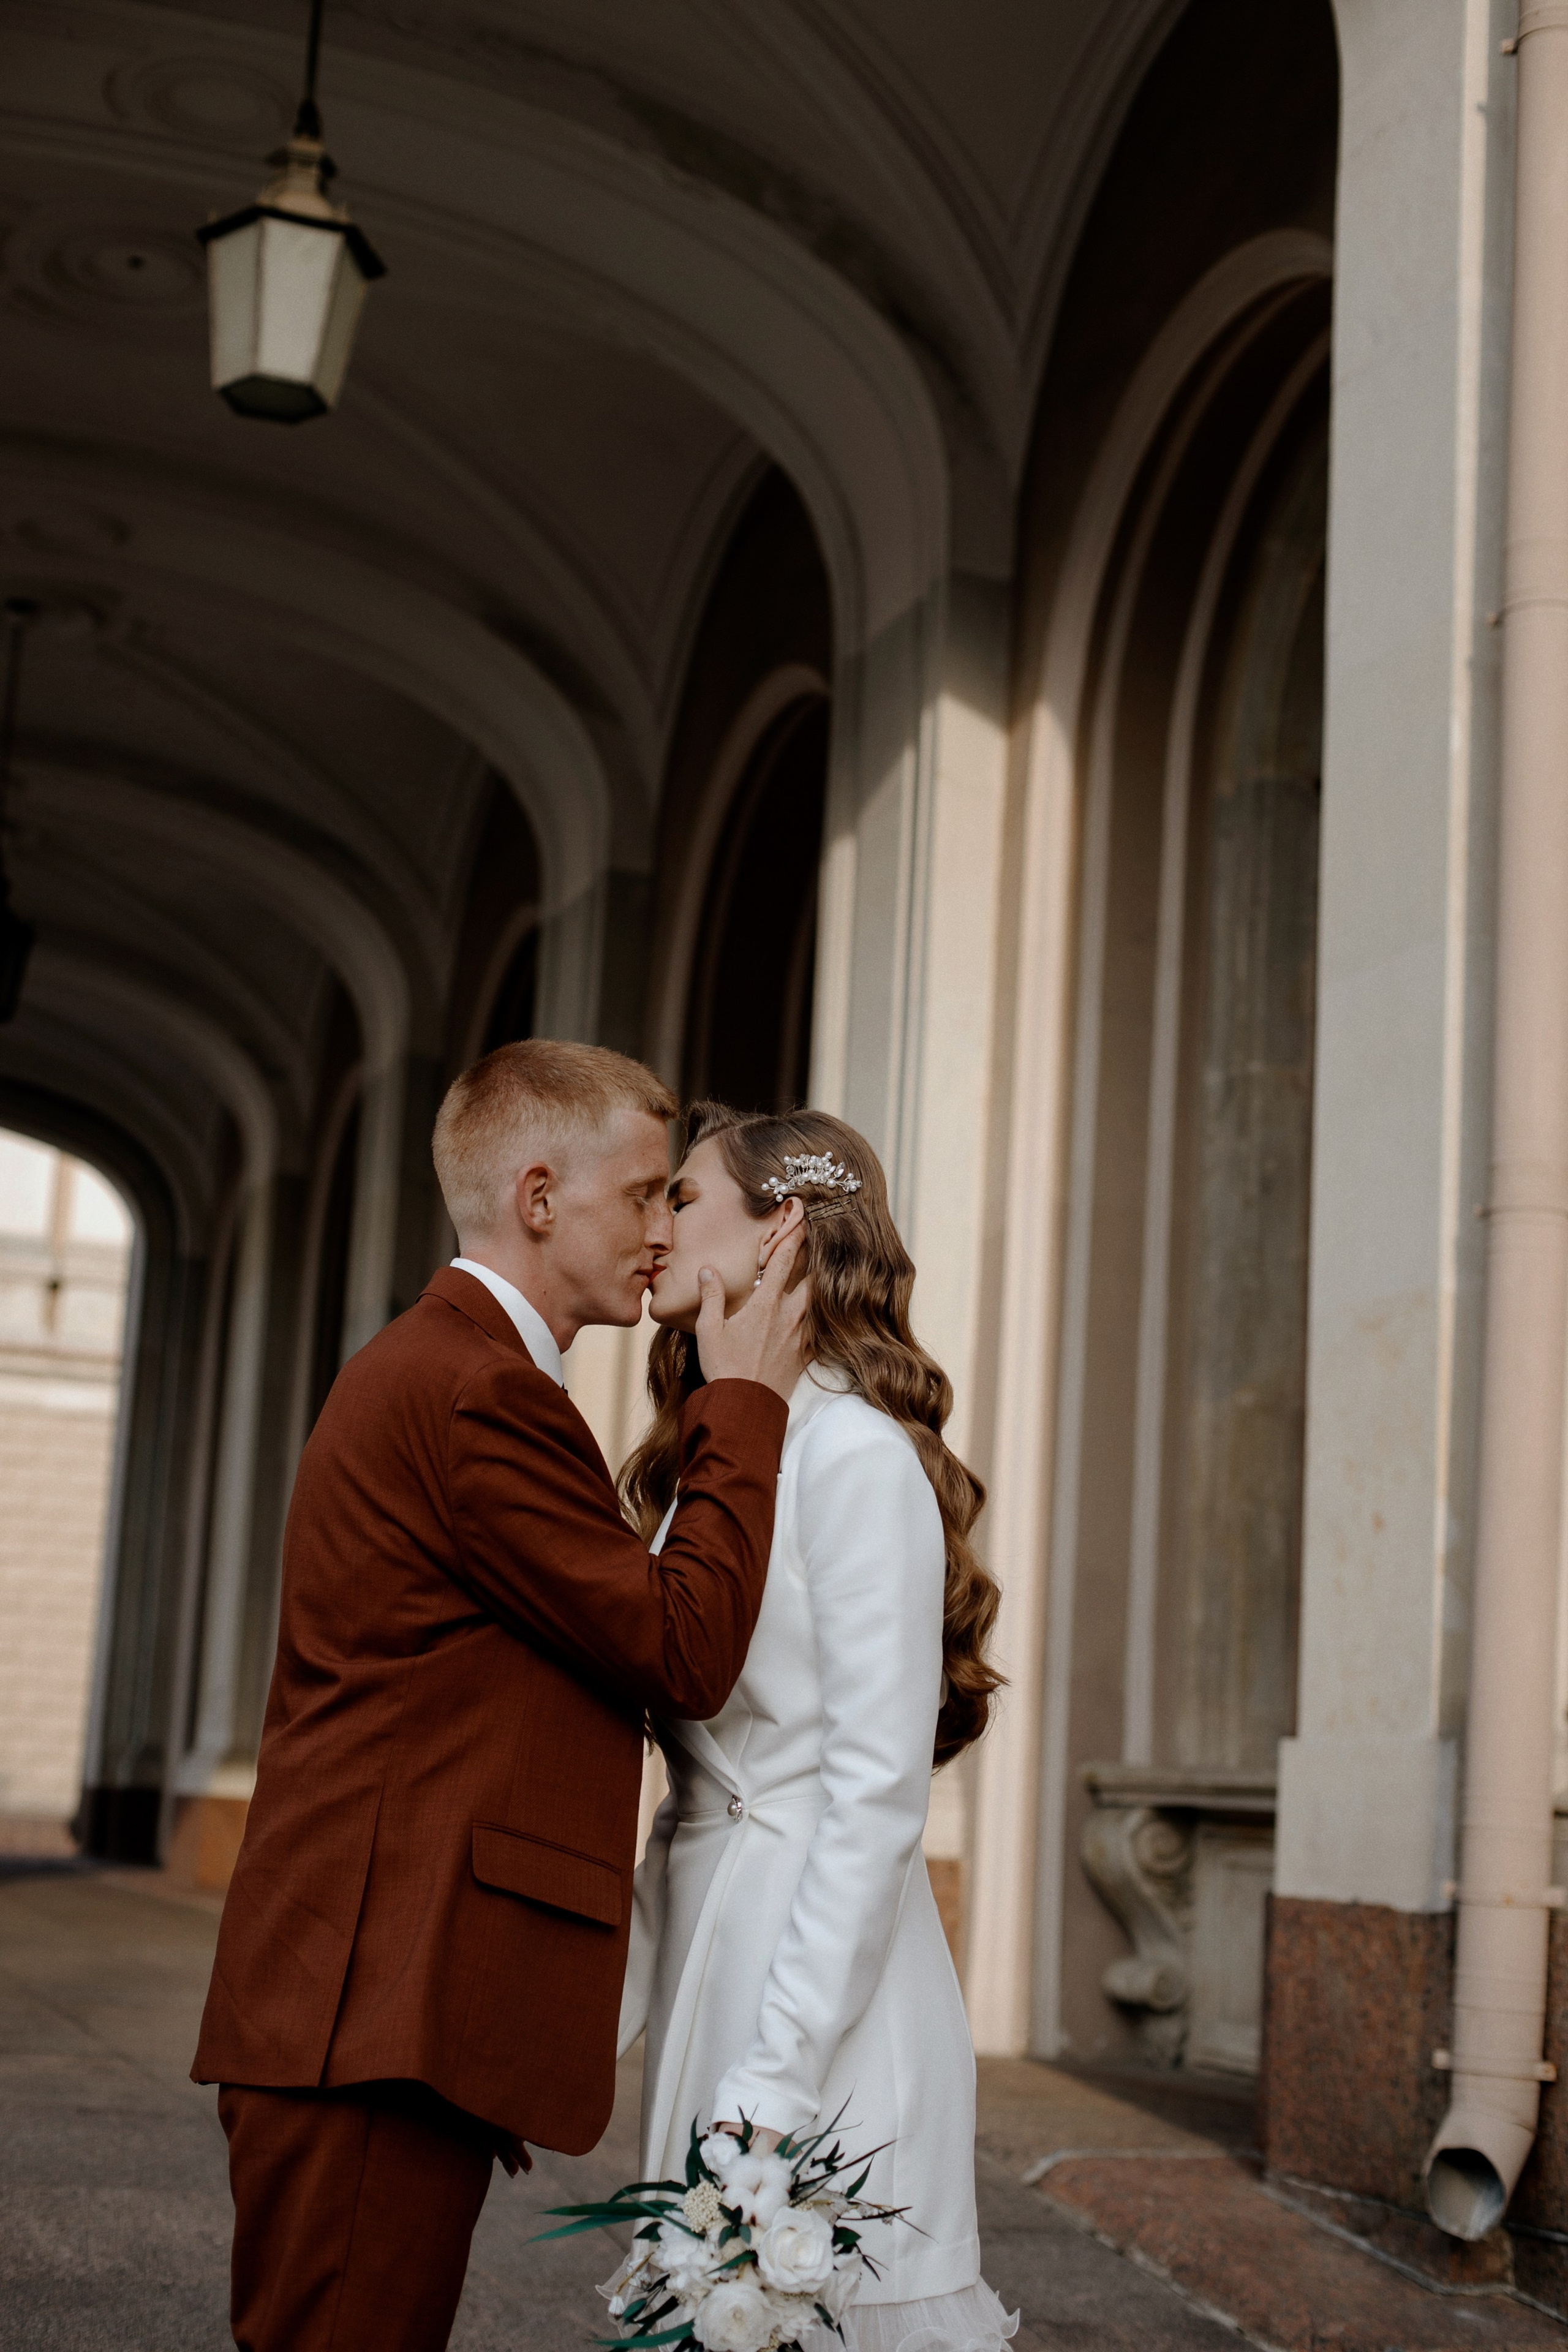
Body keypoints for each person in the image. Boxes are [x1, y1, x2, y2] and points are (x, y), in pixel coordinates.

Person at [192, 1041, 809, 2352]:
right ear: (539, 1199)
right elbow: (678, 1646)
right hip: (368, 2021)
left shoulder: (455, 1367)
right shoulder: (478, 1389)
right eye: (644, 1194)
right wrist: (744, 1399)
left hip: (370, 2007)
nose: (661, 1229)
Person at [616, 1102, 1016, 2352]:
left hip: (825, 1990)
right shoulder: (712, 1464)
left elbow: (875, 1800)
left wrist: (777, 2078)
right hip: (710, 1951)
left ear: (779, 1230)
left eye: (679, 1197)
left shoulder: (850, 1457)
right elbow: (697, 1779)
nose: (652, 1221)